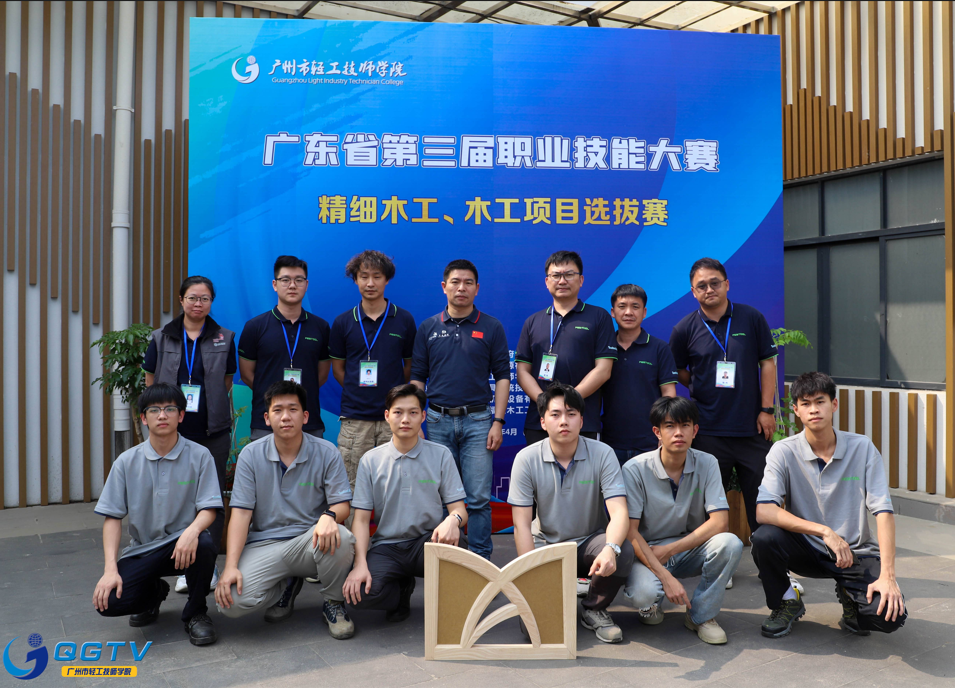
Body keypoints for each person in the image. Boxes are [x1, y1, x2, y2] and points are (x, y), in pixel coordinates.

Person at [751, 372, 906, 639]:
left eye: (820, 401)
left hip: (854, 552)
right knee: (764, 538)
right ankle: (787, 601)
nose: (814, 410)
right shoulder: (783, 451)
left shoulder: (862, 448)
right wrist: (824, 532)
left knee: (888, 617)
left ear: (834, 404)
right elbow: (764, 510)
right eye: (806, 403)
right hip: (807, 549)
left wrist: (888, 576)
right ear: (796, 410)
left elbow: (883, 512)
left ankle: (849, 597)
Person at [214, 381, 356, 640]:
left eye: (293, 409)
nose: (286, 417)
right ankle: (285, 586)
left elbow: (343, 504)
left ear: (305, 416)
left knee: (342, 538)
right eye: (278, 410)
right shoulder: (250, 455)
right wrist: (230, 566)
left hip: (309, 542)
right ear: (267, 418)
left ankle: (333, 602)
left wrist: (329, 516)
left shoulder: (326, 452)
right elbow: (241, 515)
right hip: (265, 543)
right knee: (230, 603)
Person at [92, 383, 221, 646]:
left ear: (181, 415)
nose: (162, 415)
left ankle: (196, 612)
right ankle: (153, 593)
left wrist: (192, 532)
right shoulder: (126, 462)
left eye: (170, 409)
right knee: (109, 602)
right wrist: (110, 569)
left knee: (205, 543)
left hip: (185, 545)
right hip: (144, 550)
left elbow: (209, 508)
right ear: (143, 418)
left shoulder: (200, 456)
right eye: (154, 410)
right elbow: (112, 518)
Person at [508, 383, 634, 644]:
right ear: (543, 422)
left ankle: (594, 608)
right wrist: (531, 574)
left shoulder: (603, 454)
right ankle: (555, 593)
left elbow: (619, 511)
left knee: (622, 549)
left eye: (571, 414)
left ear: (582, 420)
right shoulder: (526, 459)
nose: (563, 421)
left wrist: (610, 549)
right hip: (546, 546)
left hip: (589, 543)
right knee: (536, 629)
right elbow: (521, 525)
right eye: (555, 414)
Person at [668, 257, 778, 534]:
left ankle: (769, 558)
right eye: (701, 286)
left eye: (715, 283)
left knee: (764, 505)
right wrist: (698, 382)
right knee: (707, 508)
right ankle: (713, 557)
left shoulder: (751, 318)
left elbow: (768, 363)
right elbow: (677, 369)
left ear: (727, 284)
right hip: (708, 431)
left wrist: (767, 410)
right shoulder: (684, 329)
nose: (709, 289)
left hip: (752, 429)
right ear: (693, 292)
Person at [621, 396, 742, 645]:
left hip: (687, 548)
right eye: (669, 426)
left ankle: (701, 616)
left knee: (730, 543)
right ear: (657, 432)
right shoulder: (635, 469)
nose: (678, 433)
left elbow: (720, 522)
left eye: (685, 425)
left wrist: (670, 550)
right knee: (644, 595)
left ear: (695, 430)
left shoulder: (707, 462)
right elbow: (630, 532)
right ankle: (652, 604)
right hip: (647, 551)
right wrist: (666, 578)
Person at [411, 259, 509, 560]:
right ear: (444, 287)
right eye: (455, 282)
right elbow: (418, 378)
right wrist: (417, 422)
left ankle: (480, 561)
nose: (461, 288)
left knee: (478, 498)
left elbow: (503, 376)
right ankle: (447, 560)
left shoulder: (491, 326)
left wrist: (498, 421)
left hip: (478, 421)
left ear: (477, 288)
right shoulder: (428, 327)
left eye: (468, 283)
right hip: (437, 421)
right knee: (442, 497)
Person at [343, 384, 469, 621]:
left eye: (413, 412)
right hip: (386, 547)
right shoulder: (371, 460)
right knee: (358, 594)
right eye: (398, 412)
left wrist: (453, 520)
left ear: (423, 416)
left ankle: (449, 602)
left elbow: (459, 510)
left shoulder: (441, 454)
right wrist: (360, 563)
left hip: (427, 541)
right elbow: (360, 520)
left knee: (457, 543)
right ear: (387, 415)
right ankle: (400, 589)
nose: (405, 419)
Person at [143, 276, 236, 594]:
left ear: (211, 302)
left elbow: (226, 381)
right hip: (173, 434)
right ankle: (177, 562)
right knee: (172, 496)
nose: (199, 303)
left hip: (213, 432)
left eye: (205, 298)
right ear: (181, 300)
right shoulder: (161, 337)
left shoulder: (225, 337)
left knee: (213, 498)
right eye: (193, 297)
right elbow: (151, 380)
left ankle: (206, 564)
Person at [329, 251, 416, 526]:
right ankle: (354, 547)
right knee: (352, 488)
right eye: (363, 276)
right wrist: (358, 390)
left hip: (394, 420)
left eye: (376, 276)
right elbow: (338, 369)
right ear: (355, 280)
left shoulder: (403, 319)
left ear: (386, 280)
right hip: (355, 420)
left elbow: (409, 367)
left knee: (397, 487)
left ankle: (393, 545)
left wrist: (393, 398)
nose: (370, 283)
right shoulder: (343, 322)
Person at [516, 251, 617, 445]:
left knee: (583, 466)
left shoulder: (598, 317)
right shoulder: (533, 321)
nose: (562, 281)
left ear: (581, 280)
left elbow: (604, 370)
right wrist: (545, 402)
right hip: (540, 421)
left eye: (569, 274)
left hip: (582, 420)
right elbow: (522, 372)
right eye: (556, 275)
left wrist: (570, 401)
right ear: (547, 281)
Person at [238, 255, 331, 441]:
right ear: (275, 284)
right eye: (285, 280)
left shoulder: (321, 327)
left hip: (308, 421)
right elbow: (247, 374)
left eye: (299, 280)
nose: (292, 285)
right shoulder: (255, 326)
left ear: (306, 284)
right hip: (266, 422)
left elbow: (321, 375)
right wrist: (274, 397)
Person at [601, 284, 679, 465]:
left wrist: (665, 432)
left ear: (644, 312)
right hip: (610, 443)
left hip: (650, 442)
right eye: (622, 306)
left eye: (635, 307)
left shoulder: (660, 348)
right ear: (612, 312)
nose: (628, 312)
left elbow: (668, 394)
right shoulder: (603, 348)